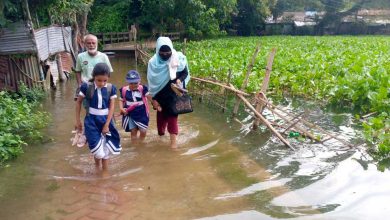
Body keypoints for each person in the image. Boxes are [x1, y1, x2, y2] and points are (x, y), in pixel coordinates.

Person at [75, 62, 121, 170]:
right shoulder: (86, 87)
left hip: (106, 120)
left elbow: (112, 107)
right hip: (91, 121)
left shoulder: (111, 88)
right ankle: (88, 137)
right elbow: (78, 103)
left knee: (105, 148)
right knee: (98, 151)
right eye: (99, 80)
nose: (102, 83)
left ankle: (104, 173)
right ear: (94, 76)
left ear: (108, 78)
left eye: (105, 80)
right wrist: (77, 121)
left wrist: (107, 124)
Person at [147, 36, 190, 149]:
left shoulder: (178, 58)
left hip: (173, 94)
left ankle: (173, 145)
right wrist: (153, 100)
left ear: (171, 50)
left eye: (168, 53)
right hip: (160, 96)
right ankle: (161, 138)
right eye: (162, 53)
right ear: (157, 51)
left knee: (172, 117)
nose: (165, 55)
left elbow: (185, 73)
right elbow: (152, 84)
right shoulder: (153, 63)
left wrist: (179, 80)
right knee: (161, 123)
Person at [74, 34, 113, 100]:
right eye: (89, 43)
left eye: (93, 43)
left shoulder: (104, 56)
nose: (91, 45)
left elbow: (109, 72)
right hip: (86, 86)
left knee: (101, 105)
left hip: (100, 85)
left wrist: (104, 84)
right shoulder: (80, 57)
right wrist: (79, 85)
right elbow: (78, 71)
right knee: (87, 106)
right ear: (85, 44)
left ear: (97, 44)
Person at [119, 70, 151, 142]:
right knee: (133, 131)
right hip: (130, 113)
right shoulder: (124, 90)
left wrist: (156, 103)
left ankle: (141, 142)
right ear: (127, 82)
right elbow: (121, 100)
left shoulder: (143, 89)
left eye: (135, 83)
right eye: (131, 83)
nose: (133, 85)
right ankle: (135, 145)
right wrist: (121, 108)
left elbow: (149, 97)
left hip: (142, 113)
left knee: (143, 131)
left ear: (139, 81)